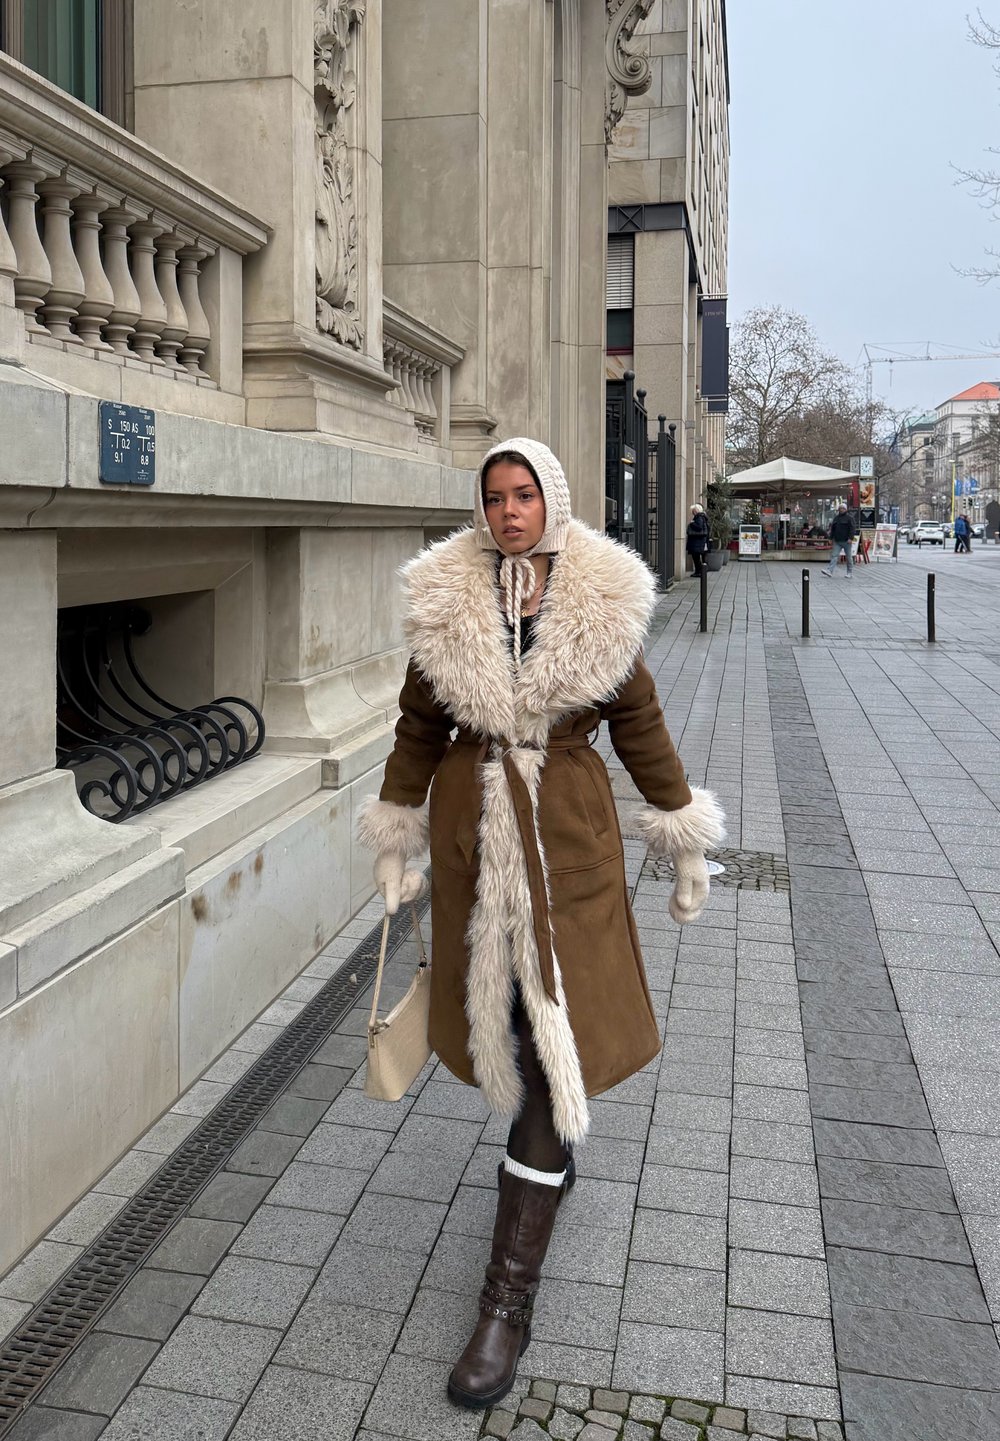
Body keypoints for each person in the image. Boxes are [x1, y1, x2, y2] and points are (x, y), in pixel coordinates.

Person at [358, 439, 725, 1411]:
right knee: (515, 1033)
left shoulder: (600, 599)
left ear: (550, 501)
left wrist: (681, 831)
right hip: (474, 843)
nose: (508, 510)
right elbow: (416, 727)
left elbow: (639, 721)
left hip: (568, 842)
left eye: (523, 495)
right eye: (494, 496)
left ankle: (503, 1302)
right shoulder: (447, 599)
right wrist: (394, 831)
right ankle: (545, 1163)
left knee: (551, 1038)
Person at [821, 505, 856, 579]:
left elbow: (852, 529)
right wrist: (830, 538)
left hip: (847, 541)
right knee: (834, 556)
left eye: (843, 508)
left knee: (849, 557)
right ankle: (829, 571)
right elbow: (833, 529)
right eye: (840, 508)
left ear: (846, 509)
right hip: (837, 541)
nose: (841, 509)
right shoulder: (836, 518)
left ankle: (849, 572)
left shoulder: (849, 518)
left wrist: (850, 538)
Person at [685, 502, 710, 577]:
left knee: (696, 558)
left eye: (693, 511)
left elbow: (699, 527)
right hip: (699, 541)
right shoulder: (702, 517)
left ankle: (698, 572)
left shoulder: (699, 517)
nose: (692, 512)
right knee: (697, 558)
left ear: (696, 510)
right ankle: (699, 571)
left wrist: (692, 523)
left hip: (697, 542)